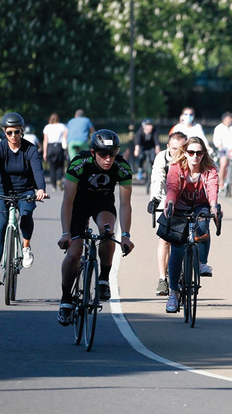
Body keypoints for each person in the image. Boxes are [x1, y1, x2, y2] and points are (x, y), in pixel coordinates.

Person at [57, 130, 134, 326]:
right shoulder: (79, 163)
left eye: (112, 154)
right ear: (92, 153)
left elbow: (125, 204)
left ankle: (103, 279)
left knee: (107, 233)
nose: (108, 159)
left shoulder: (122, 167)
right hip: (78, 205)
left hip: (103, 204)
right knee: (74, 253)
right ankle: (66, 299)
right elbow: (67, 201)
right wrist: (66, 233)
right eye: (103, 154)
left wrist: (125, 235)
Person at [0, 113, 48, 285]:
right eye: (9, 132)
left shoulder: (30, 149)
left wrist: (41, 189)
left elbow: (38, 170)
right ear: (4, 132)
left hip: (25, 191)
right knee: (0, 227)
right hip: (3, 191)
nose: (13, 136)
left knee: (26, 216)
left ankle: (25, 248)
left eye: (17, 132)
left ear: (22, 131)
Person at [162, 136, 220, 314]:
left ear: (204, 154)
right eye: (191, 152)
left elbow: (212, 187)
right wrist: (170, 203)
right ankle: (173, 293)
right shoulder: (176, 167)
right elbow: (172, 186)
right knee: (177, 249)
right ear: (185, 152)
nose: (195, 156)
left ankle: (202, 262)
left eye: (199, 153)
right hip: (179, 205)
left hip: (200, 205)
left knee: (203, 222)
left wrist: (213, 206)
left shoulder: (210, 169)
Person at [149, 131, 187, 296]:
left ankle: (188, 268)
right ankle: (162, 279)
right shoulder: (161, 158)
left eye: (181, 149)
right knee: (164, 239)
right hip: (165, 197)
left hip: (186, 198)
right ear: (167, 147)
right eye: (174, 148)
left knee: (188, 237)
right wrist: (155, 199)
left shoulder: (190, 156)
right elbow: (157, 178)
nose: (177, 152)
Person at [43, 113, 68, 192]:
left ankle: (54, 186)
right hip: (59, 147)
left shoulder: (47, 127)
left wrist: (45, 152)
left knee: (52, 167)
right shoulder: (62, 126)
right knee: (60, 165)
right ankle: (59, 179)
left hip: (50, 147)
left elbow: (45, 141)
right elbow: (65, 137)